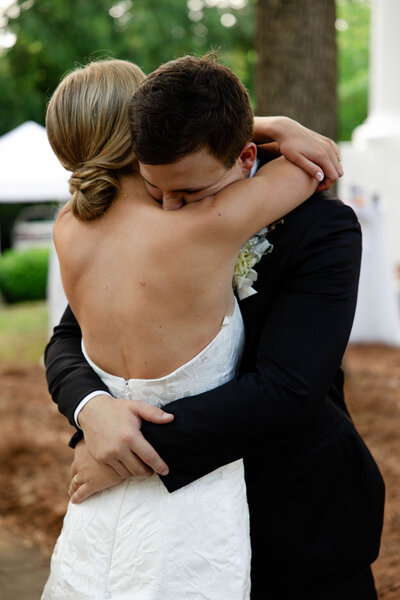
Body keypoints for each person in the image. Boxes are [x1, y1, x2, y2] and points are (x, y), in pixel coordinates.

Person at [44, 56, 385, 600]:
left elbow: (289, 388)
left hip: (295, 515)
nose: (171, 206)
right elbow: (68, 338)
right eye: (160, 190)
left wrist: (130, 453)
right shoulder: (139, 222)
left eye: (191, 194)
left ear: (245, 155)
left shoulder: (321, 227)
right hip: (168, 522)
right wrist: (95, 411)